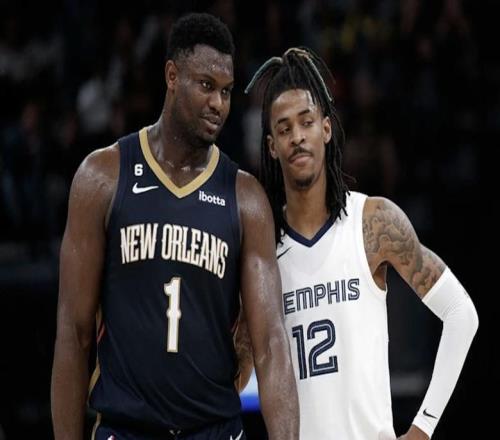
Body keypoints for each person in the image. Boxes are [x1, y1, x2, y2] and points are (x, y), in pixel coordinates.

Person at [51, 13, 299, 440]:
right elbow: (74, 333)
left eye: (226, 91)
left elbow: (271, 345)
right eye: (206, 85)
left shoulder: (245, 198)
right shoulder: (103, 177)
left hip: (213, 428)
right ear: (172, 76)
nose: (218, 103)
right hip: (126, 428)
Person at [244, 47, 478, 439]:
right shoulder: (262, 247)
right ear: (271, 146)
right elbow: (236, 366)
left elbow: (461, 313)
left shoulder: (373, 222)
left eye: (306, 122)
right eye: (284, 129)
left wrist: (423, 428)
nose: (297, 137)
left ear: (326, 129)